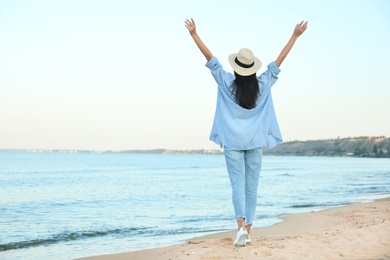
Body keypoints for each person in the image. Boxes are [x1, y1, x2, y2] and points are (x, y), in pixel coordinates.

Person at [185, 18, 307, 246]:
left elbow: (211, 60)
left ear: (236, 67)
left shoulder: (227, 82)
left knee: (237, 185)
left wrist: (194, 35)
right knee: (252, 187)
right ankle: (247, 231)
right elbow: (280, 60)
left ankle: (240, 227)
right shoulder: (263, 84)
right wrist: (295, 36)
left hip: (232, 142)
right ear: (253, 68)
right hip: (254, 142)